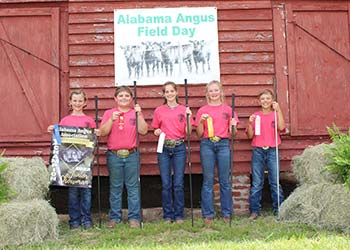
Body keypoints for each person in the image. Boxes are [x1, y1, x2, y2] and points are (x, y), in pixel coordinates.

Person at [48, 89, 99, 230]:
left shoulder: (89, 121)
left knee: (86, 192)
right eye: (75, 100)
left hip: (85, 162)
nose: (77, 103)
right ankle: (74, 220)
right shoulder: (65, 120)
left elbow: (92, 140)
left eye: (80, 101)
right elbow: (59, 140)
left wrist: (96, 133)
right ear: (70, 102)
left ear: (85, 103)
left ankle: (86, 220)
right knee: (73, 193)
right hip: (69, 163)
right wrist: (54, 130)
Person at [100, 86, 148, 229]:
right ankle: (115, 217)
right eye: (120, 96)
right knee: (115, 187)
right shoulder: (109, 113)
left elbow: (144, 131)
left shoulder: (135, 113)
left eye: (127, 96)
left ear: (131, 99)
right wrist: (111, 120)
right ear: (115, 98)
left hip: (132, 154)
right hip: (114, 155)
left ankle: (134, 218)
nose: (124, 98)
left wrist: (139, 115)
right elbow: (102, 132)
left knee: (133, 187)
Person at [194, 80, 239, 225]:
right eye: (211, 91)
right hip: (207, 144)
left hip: (223, 143)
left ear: (221, 91)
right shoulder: (202, 110)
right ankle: (208, 214)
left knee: (225, 180)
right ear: (207, 94)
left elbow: (234, 134)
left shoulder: (228, 109)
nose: (214, 93)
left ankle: (227, 213)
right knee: (208, 180)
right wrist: (200, 122)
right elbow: (199, 134)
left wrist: (233, 126)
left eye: (216, 90)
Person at [152, 81, 193, 224]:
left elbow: (188, 131)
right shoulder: (159, 110)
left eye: (171, 91)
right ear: (164, 94)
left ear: (176, 92)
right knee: (166, 183)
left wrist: (188, 117)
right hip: (164, 146)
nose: (169, 94)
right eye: (166, 92)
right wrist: (156, 131)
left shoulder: (184, 109)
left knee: (178, 183)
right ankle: (168, 215)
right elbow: (155, 128)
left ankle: (179, 214)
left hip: (179, 147)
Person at [246, 89, 285, 220]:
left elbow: (281, 127)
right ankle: (254, 211)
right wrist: (250, 123)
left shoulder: (275, 114)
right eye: (262, 99)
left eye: (268, 98)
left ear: (272, 100)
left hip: (273, 149)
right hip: (258, 150)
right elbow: (250, 135)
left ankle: (279, 210)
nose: (265, 101)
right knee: (257, 182)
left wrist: (278, 110)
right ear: (259, 101)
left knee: (275, 181)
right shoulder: (256, 115)